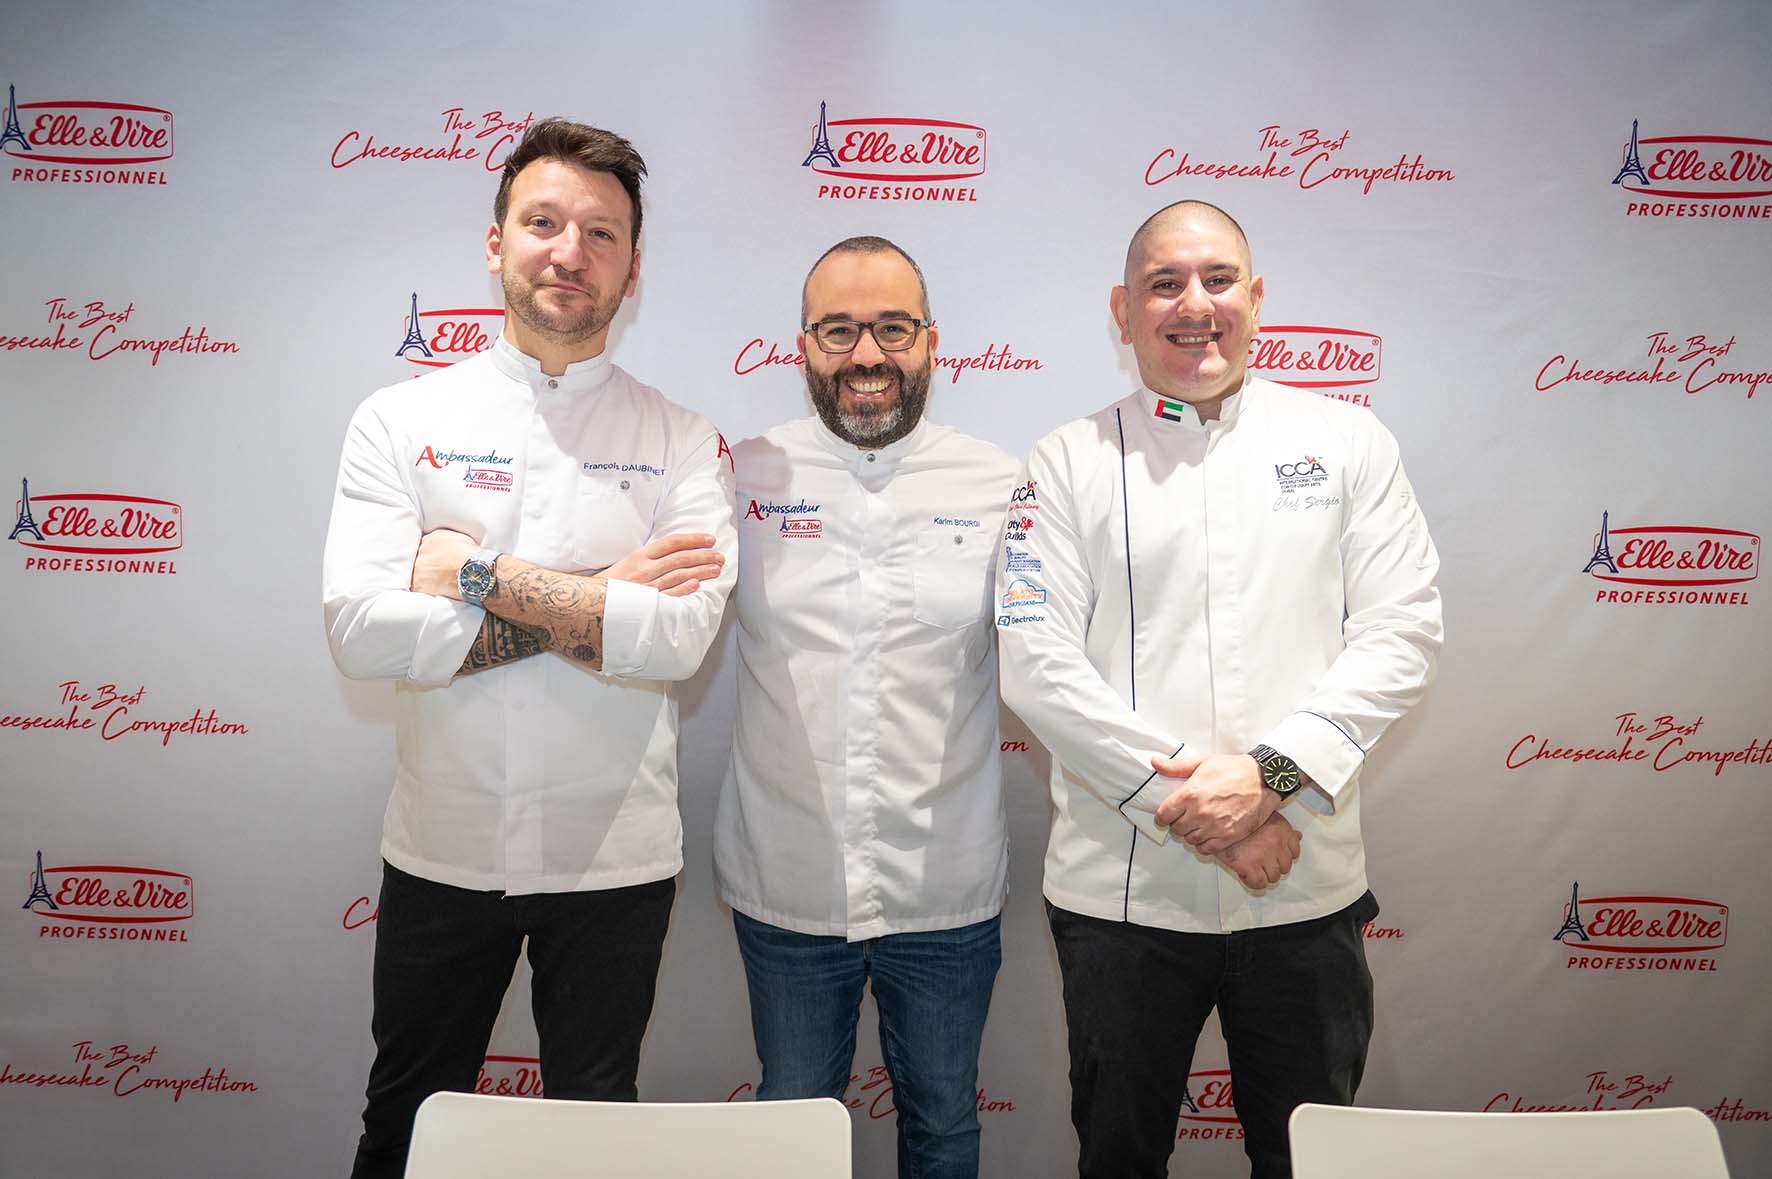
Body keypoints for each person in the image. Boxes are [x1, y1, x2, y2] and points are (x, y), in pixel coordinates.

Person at [321, 118, 736, 1179]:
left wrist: (473, 574)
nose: (569, 252)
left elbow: (678, 641)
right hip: (440, 850)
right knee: (405, 1132)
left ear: (632, 268)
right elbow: (365, 634)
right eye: (543, 223)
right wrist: (602, 605)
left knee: (591, 1142)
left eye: (600, 234)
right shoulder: (398, 420)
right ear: (494, 242)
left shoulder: (681, 438)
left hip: (615, 863)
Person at [995, 200, 1442, 1179]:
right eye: (1163, 284)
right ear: (1121, 310)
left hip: (1302, 894)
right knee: (1118, 1162)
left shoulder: (1347, 440)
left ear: (1255, 298)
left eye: (1216, 280)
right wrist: (1215, 810)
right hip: (1122, 908)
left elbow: (1401, 631)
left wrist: (1271, 775)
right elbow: (1035, 664)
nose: (1193, 305)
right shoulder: (1064, 463)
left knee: (1307, 1164)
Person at [713, 236, 1021, 1178]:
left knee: (942, 1127)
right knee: (794, 1130)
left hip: (946, 888)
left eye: (891, 327)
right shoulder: (740, 476)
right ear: (803, 344)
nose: (866, 355)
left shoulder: (1001, 483)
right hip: (788, 883)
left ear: (930, 341)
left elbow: (1056, 666)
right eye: (839, 329)